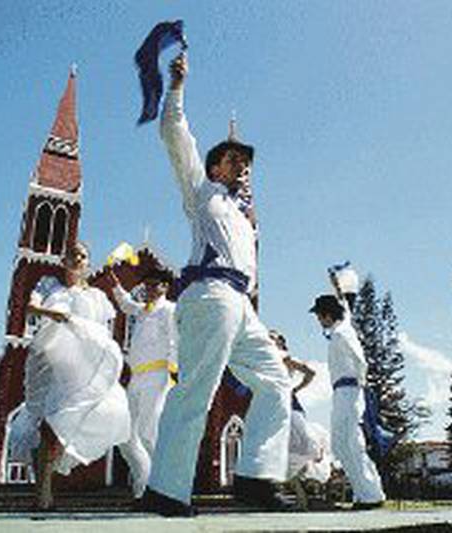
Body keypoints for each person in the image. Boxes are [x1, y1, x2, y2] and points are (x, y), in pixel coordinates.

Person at [142, 52, 292, 517]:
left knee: (276, 381)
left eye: (246, 160)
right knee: (195, 391)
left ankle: (254, 479)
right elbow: (174, 134)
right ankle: (166, 490)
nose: (242, 164)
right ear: (214, 169)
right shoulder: (201, 192)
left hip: (241, 305)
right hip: (209, 294)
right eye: (233, 158)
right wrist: (178, 85)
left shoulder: (246, 219)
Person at [9, 242, 131, 510]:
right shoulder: (49, 285)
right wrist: (54, 314)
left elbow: (103, 331)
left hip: (81, 366)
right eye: (73, 254)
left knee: (63, 425)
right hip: (50, 359)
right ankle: (42, 491)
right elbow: (30, 308)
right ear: (64, 260)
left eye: (83, 255)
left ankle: (45, 488)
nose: (78, 258)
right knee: (46, 425)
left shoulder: (98, 297)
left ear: (88, 262)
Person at [309, 295, 386, 510]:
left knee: (351, 442)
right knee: (341, 444)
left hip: (349, 390)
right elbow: (345, 308)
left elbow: (360, 359)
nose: (318, 320)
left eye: (319, 315)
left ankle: (371, 495)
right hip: (342, 391)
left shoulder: (342, 332)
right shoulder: (340, 330)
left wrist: (360, 384)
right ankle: (365, 494)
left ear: (326, 314)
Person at [107, 266, 178, 498]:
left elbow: (175, 341)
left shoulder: (169, 310)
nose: (149, 288)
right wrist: (116, 285)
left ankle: (164, 489)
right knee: (125, 434)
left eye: (154, 284)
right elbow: (127, 305)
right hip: (136, 377)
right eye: (147, 284)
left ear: (165, 287)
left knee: (149, 432)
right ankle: (144, 485)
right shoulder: (144, 311)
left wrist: (174, 371)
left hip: (158, 376)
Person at [269, 330, 330, 509]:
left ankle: (310, 470)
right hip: (274, 408)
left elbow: (310, 372)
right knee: (282, 454)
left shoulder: (284, 358)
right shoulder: (265, 359)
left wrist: (296, 389)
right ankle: (300, 497)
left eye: (272, 337)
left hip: (290, 406)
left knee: (301, 447)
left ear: (280, 343)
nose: (268, 340)